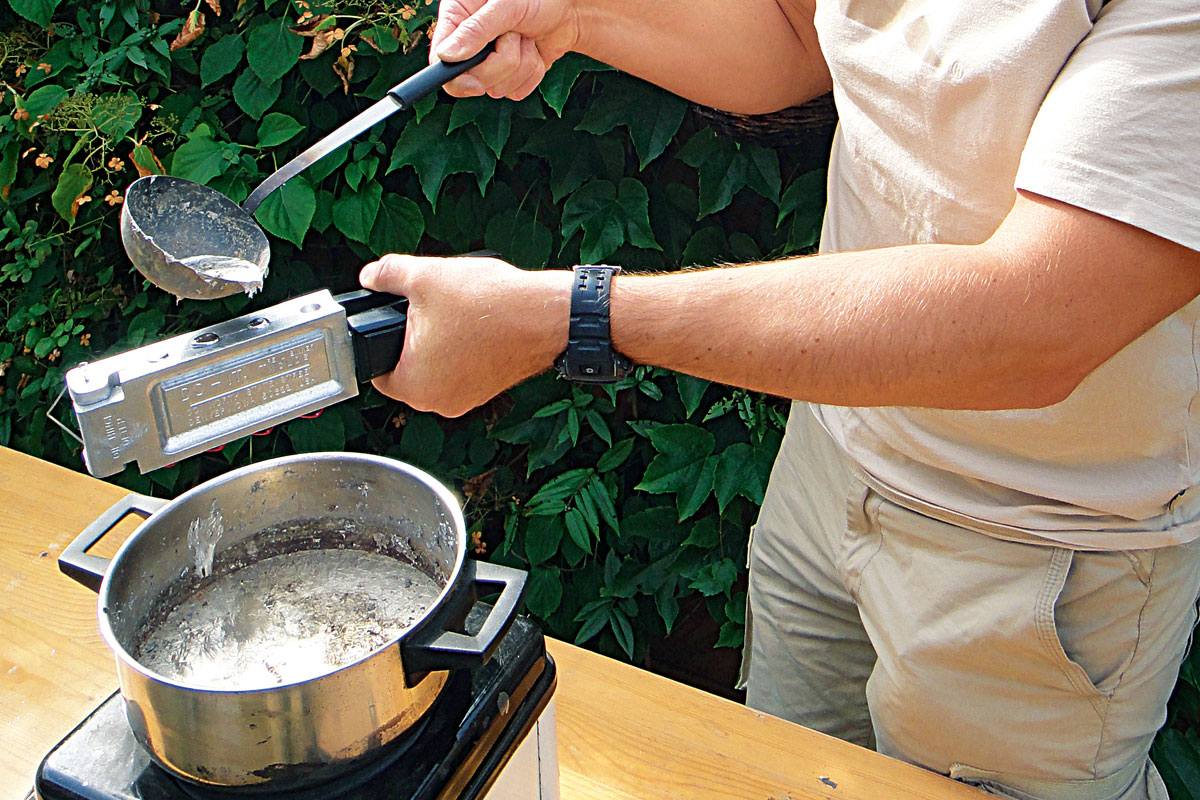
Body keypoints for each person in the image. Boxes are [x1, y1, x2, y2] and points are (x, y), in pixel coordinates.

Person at [356, 1, 1200, 797]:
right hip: (831, 461)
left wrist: (568, 318)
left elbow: (1036, 322)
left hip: (1038, 544)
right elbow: (801, 35)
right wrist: (576, 14)